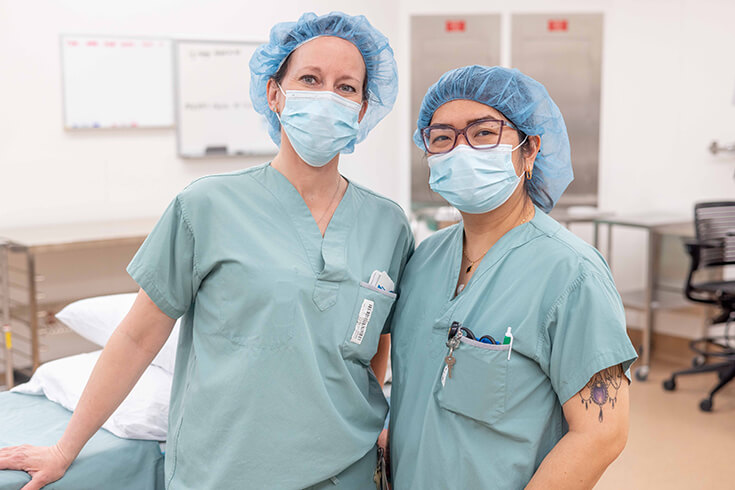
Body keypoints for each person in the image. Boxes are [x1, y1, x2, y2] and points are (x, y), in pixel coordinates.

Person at [0, 12, 412, 490]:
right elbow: (136, 340)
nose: (327, 97)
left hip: (346, 473)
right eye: (310, 79)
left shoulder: (388, 225)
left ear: (362, 110)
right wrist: (64, 449)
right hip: (225, 472)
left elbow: (374, 347)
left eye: (346, 87)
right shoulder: (207, 206)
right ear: (274, 94)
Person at [388, 65, 638, 489]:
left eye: (484, 132)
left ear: (530, 150)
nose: (460, 150)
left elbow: (602, 433)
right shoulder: (424, 259)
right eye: (442, 137)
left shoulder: (571, 273)